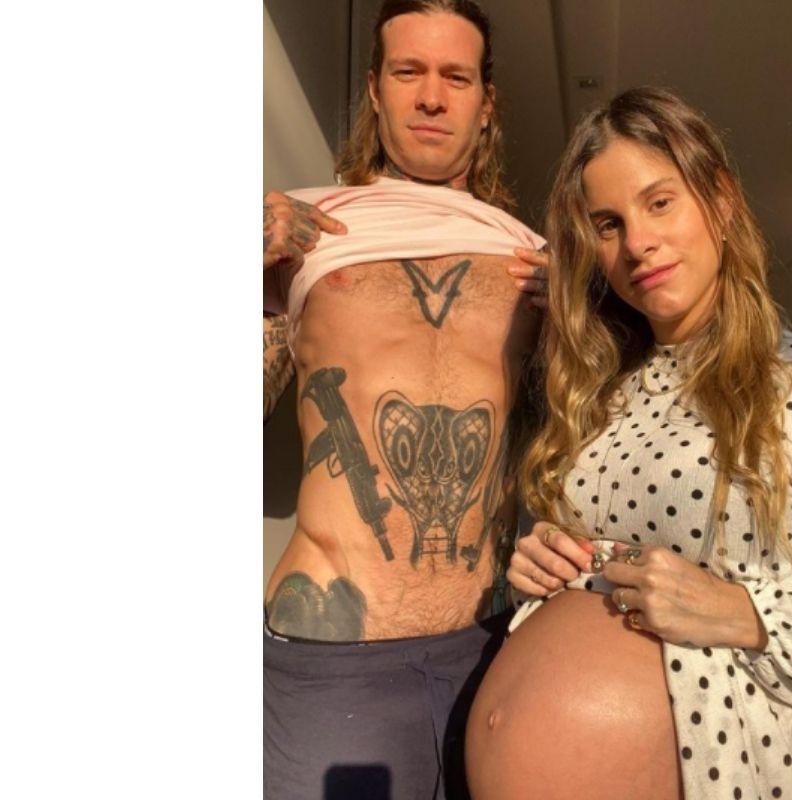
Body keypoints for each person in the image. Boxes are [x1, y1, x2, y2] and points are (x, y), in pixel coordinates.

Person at [464, 87, 792, 800]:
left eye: (660, 202)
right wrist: (538, 562)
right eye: (609, 224)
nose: (637, 243)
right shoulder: (597, 397)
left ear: (721, 202)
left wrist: (740, 612)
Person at [261, 2, 550, 798]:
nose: (430, 96)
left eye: (455, 77)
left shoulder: (531, 256)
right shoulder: (306, 231)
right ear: (374, 90)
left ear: (486, 103)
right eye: (408, 72)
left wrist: (584, 313)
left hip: (494, 650)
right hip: (333, 662)